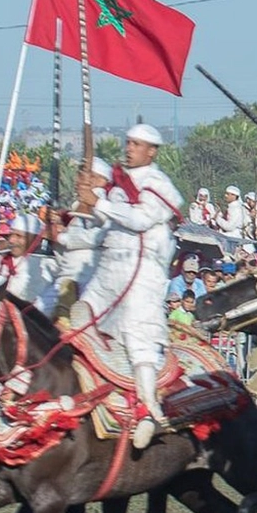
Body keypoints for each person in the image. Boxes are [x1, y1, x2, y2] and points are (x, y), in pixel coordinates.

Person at [76, 124, 184, 449]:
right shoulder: (117, 183)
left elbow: (139, 219)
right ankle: (97, 389)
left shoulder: (157, 183)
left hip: (142, 272)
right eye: (128, 143)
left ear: (152, 151)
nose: (129, 149)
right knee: (78, 315)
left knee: (140, 339)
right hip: (110, 269)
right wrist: (84, 201)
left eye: (137, 145)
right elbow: (102, 221)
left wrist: (98, 203)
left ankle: (149, 408)